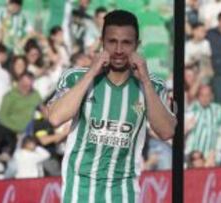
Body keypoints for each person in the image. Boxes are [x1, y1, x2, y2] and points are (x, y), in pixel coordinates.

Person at [48, 10, 176, 202]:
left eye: (126, 43)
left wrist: (146, 82)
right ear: (102, 42)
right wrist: (91, 73)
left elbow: (166, 131)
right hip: (80, 192)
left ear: (137, 46)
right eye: (112, 41)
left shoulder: (153, 85)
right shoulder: (75, 77)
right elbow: (55, 117)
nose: (118, 49)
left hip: (124, 193)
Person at [185, 85, 221, 159]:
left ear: (212, 96)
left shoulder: (218, 109)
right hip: (192, 155)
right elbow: (190, 96)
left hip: (210, 156)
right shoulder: (192, 108)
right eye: (202, 95)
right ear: (198, 97)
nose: (205, 98)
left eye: (207, 95)